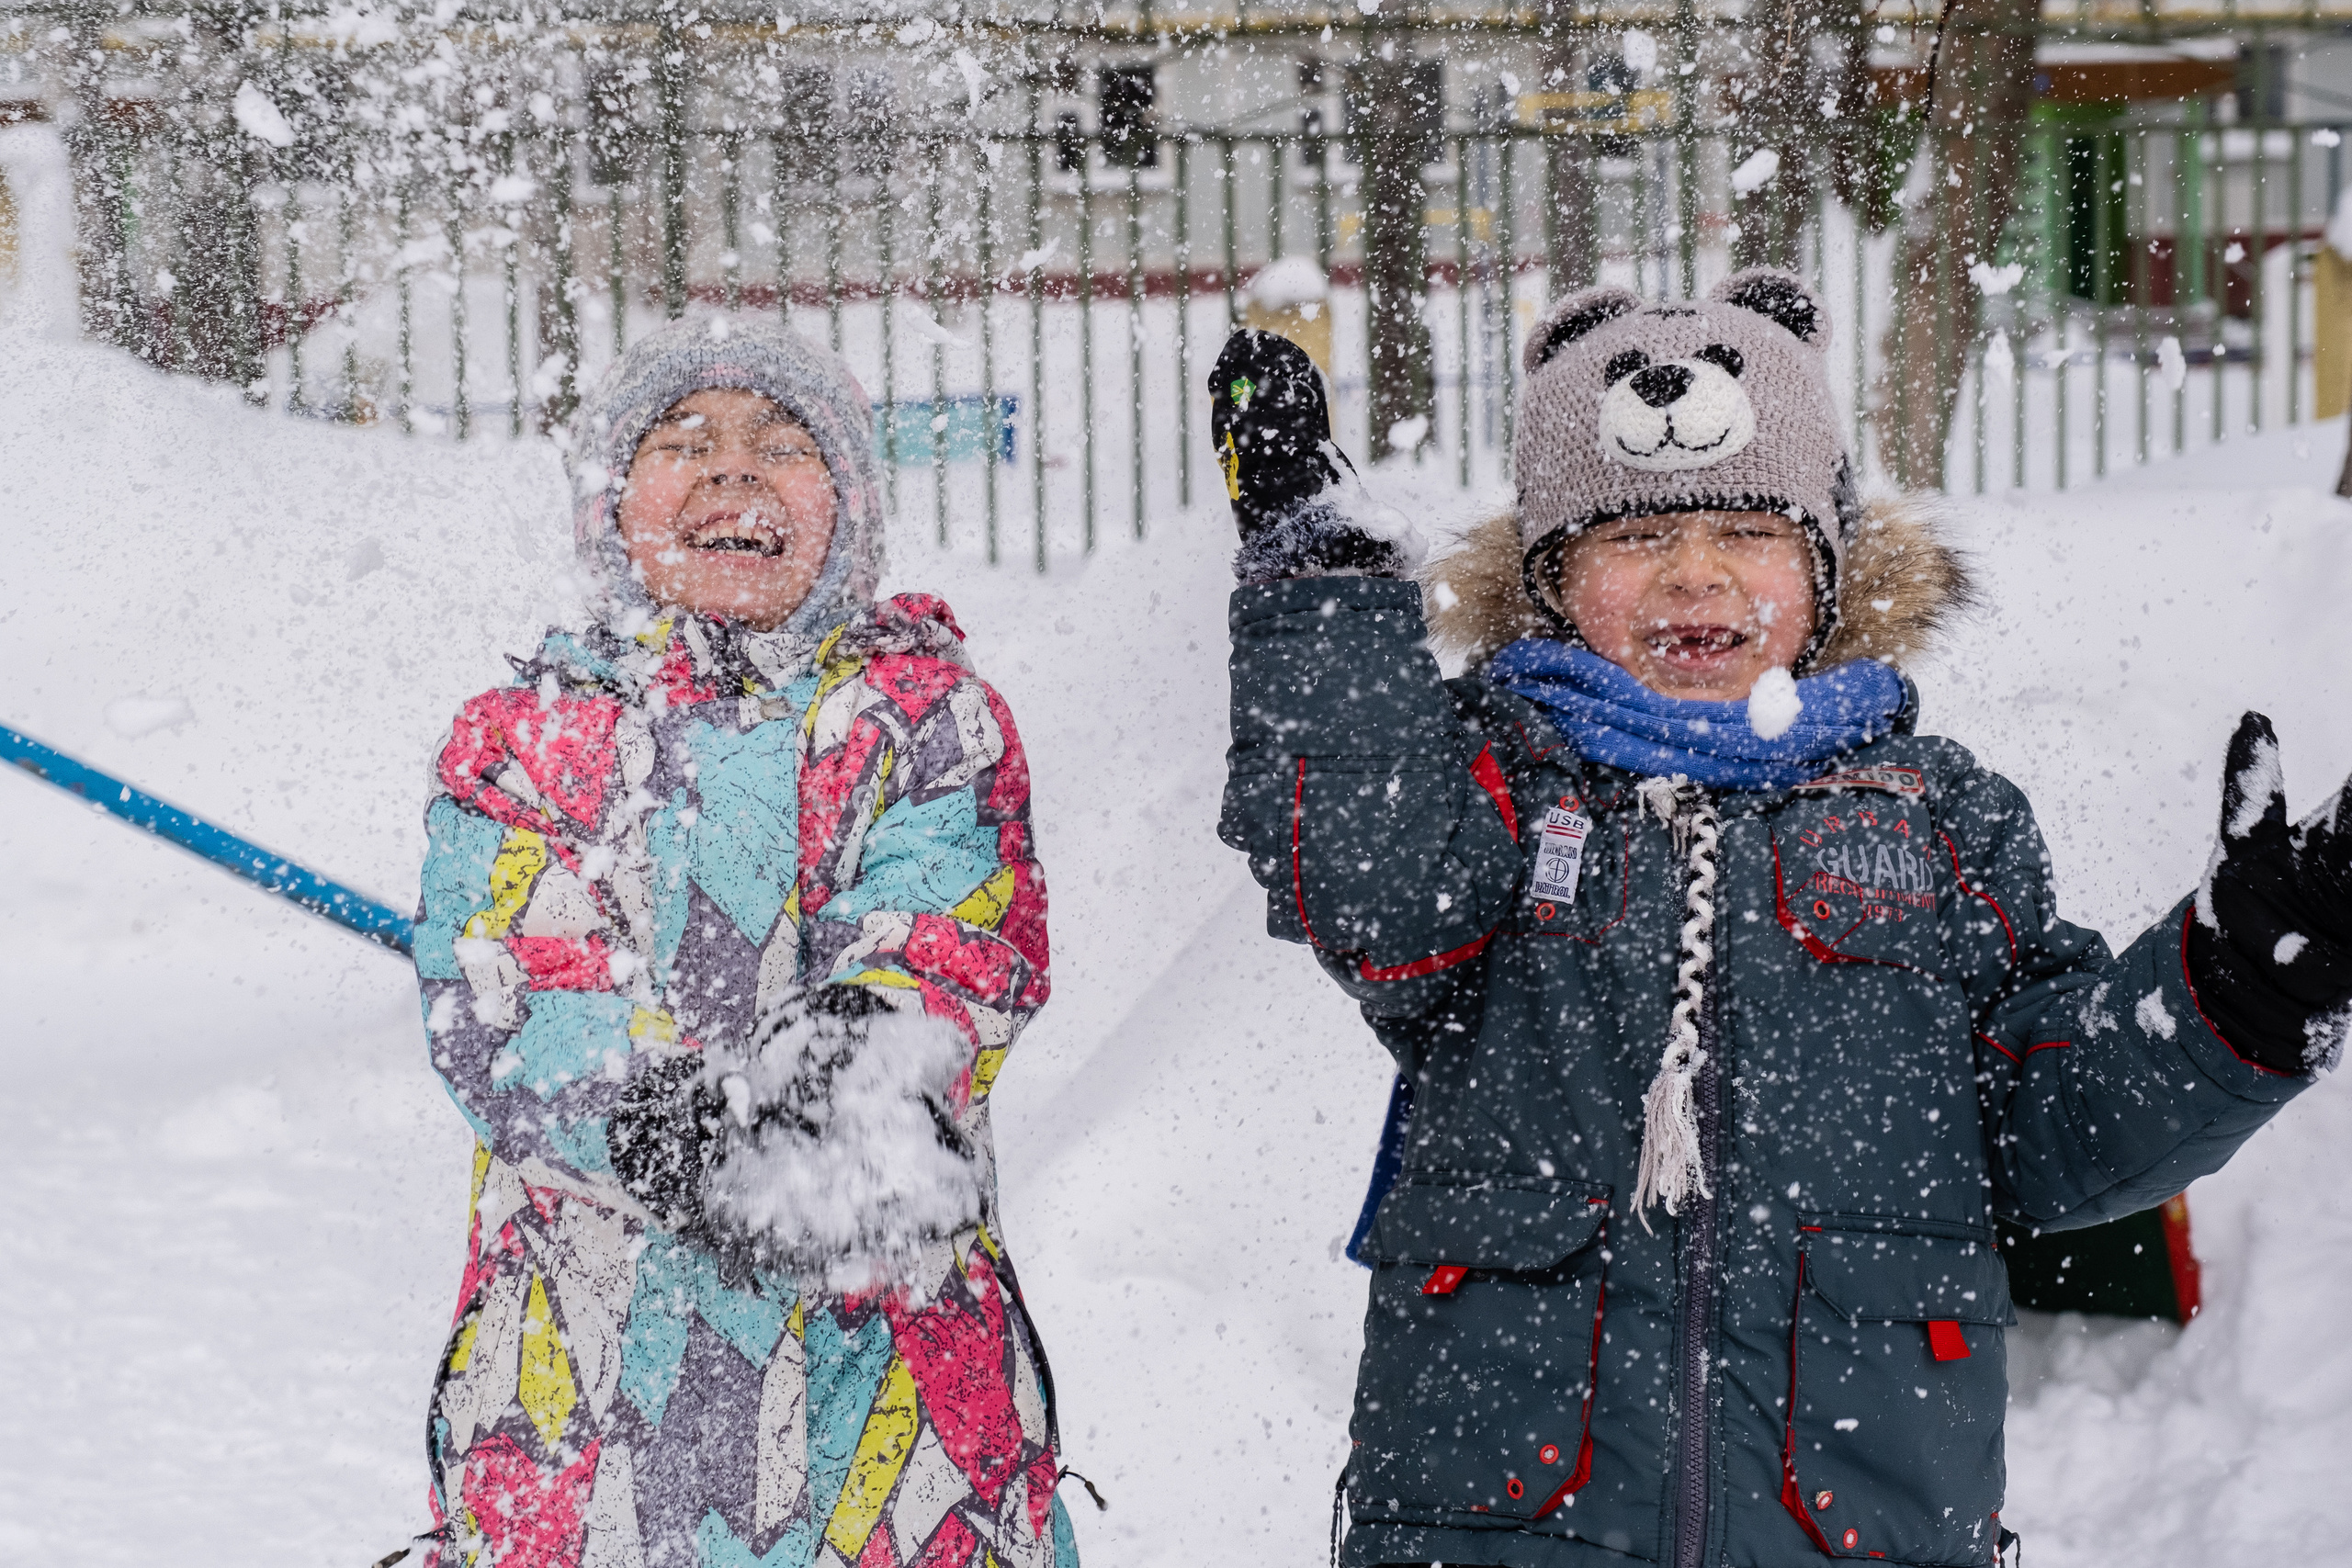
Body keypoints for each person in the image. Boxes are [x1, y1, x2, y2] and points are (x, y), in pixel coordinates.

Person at [1207, 273, 2352, 1568]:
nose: (1695, 577)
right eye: (1634, 538)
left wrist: (2248, 984)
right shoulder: (1494, 787)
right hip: (1506, 1524)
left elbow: (2053, 1128)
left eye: (1749, 530)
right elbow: (1369, 888)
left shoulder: (1940, 820)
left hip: (1858, 1524)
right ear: (1549, 572)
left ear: (1827, 562)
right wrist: (1321, 584)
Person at [410, 317, 1072, 1568]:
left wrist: (839, 1078)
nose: (734, 469)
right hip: (584, 1392)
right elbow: (500, 995)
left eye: (784, 443)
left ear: (849, 513)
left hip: (887, 1410)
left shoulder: (930, 723)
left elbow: (953, 945)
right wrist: (676, 1124)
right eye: (683, 441)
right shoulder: (520, 742)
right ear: (612, 506)